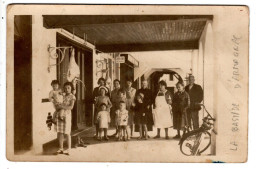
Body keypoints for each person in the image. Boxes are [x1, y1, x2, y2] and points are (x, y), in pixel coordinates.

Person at [54, 82, 76, 155]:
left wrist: (62, 107)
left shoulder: (72, 96)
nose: (67, 89)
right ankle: (61, 148)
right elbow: (57, 103)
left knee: (67, 132)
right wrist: (58, 106)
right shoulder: (62, 96)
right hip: (59, 114)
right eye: (65, 88)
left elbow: (71, 107)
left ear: (71, 88)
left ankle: (69, 149)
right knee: (60, 132)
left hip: (67, 115)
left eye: (68, 88)